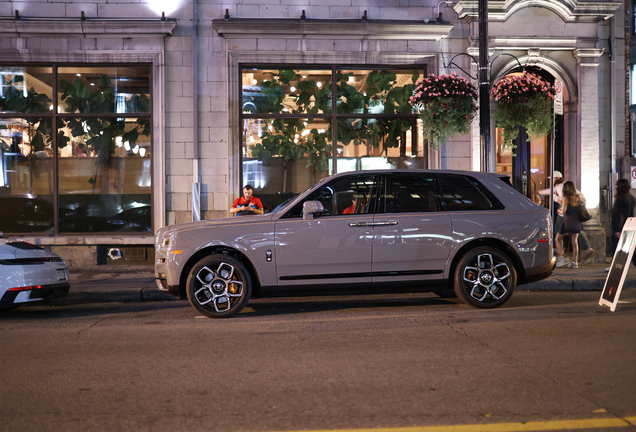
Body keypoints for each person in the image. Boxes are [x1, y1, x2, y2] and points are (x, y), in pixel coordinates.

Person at [555, 181, 583, 268]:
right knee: (574, 242)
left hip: (567, 223)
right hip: (577, 222)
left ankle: (562, 257)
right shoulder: (578, 197)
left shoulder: (565, 198)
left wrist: (558, 211)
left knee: (557, 240)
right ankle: (575, 262)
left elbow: (563, 212)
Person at [610, 179, 635, 254]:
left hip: (620, 228)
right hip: (629, 226)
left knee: (617, 249)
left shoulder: (620, 198)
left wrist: (617, 229)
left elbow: (618, 215)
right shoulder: (631, 198)